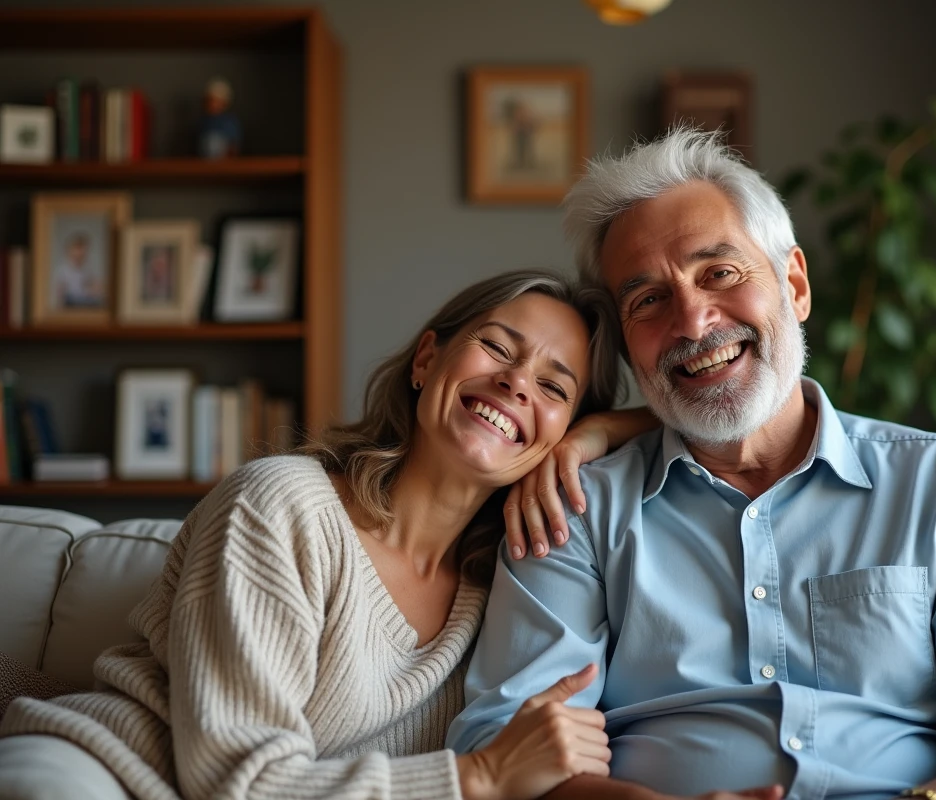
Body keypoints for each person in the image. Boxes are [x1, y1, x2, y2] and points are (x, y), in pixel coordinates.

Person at [448, 130, 936, 800]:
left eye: (719, 274)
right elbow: (505, 742)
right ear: (627, 348)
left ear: (794, 284)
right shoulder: (574, 508)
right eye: (648, 301)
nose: (693, 322)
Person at [0, 270, 655, 800]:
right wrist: (482, 777)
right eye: (498, 348)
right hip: (107, 778)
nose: (515, 382)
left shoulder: (504, 588)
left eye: (553, 387)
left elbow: (699, 418)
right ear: (427, 359)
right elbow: (235, 781)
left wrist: (599, 432)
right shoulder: (282, 505)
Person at [55, 232, 103, 309]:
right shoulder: (63, 271)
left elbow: (96, 289)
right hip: (70, 304)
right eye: (78, 251)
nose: (81, 255)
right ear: (70, 252)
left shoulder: (88, 270)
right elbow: (60, 296)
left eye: (83, 254)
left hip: (86, 304)